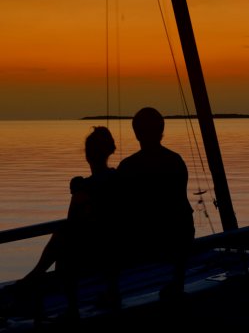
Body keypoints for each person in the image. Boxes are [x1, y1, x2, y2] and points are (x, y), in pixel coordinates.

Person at [15, 126, 119, 324]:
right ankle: (35, 277)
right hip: (110, 245)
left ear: (88, 155)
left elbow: (73, 220)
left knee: (64, 241)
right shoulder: (115, 178)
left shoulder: (86, 187)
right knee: (64, 238)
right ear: (110, 150)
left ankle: (39, 280)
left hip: (101, 250)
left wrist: (80, 194)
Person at [117, 107, 195, 296]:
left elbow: (119, 208)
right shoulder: (175, 160)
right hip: (178, 237)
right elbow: (182, 208)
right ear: (162, 130)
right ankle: (178, 281)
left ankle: (111, 290)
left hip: (149, 240)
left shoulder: (128, 166)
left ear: (136, 133)